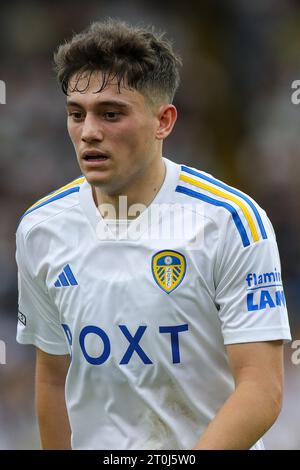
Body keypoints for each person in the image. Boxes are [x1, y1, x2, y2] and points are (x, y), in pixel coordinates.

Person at [16, 18, 291, 450]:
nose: (89, 131)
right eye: (76, 114)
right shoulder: (40, 229)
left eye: (111, 113)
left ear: (163, 121)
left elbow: (262, 388)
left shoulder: (231, 222)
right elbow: (52, 378)